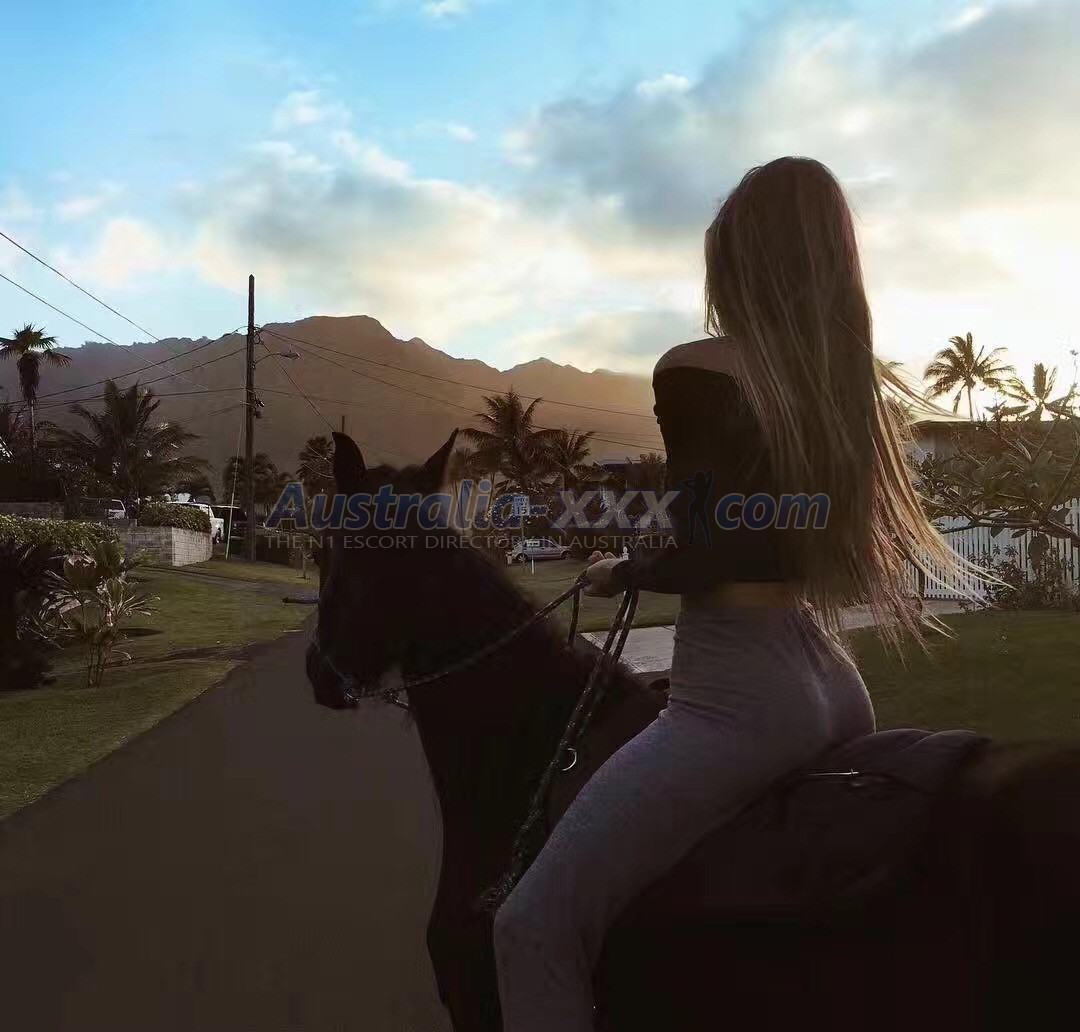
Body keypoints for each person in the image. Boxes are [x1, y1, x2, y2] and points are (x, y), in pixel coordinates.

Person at [492, 156, 977, 1032]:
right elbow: (758, 537)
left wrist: (621, 572)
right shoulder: (836, 388)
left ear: (738, 260)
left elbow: (713, 552)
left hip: (738, 696)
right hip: (834, 682)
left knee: (530, 926)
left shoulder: (694, 368)